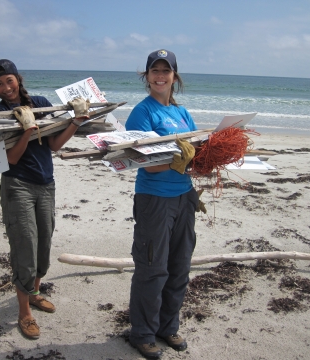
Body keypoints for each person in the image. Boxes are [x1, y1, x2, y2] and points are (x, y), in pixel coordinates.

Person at [0, 59, 89, 340]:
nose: (6, 87)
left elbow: (55, 145)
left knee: (43, 241)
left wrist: (76, 121)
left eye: (9, 80)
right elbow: (11, 158)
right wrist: (28, 131)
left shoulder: (41, 103)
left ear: (18, 79)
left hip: (46, 184)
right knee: (25, 245)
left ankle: (33, 294)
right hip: (17, 186)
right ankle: (24, 313)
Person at [124, 49, 199, 359]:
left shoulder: (182, 113)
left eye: (165, 71)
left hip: (184, 197)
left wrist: (204, 159)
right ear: (147, 76)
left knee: (179, 267)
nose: (160, 75)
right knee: (152, 269)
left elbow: (194, 154)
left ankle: (167, 327)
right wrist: (180, 161)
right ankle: (141, 334)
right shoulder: (142, 113)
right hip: (155, 200)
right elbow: (143, 162)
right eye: (154, 70)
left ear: (174, 77)